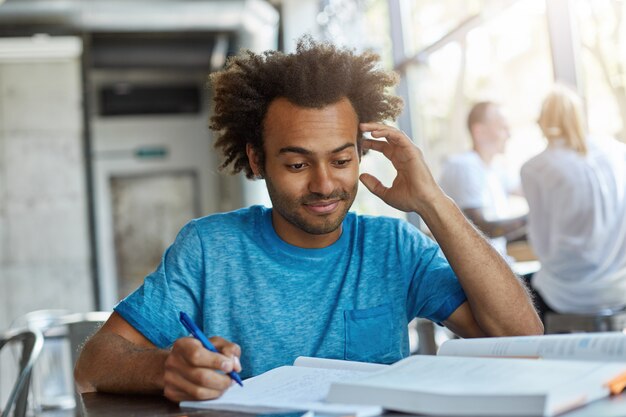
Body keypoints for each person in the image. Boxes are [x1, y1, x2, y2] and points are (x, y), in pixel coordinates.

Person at [74, 38, 542, 402]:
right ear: (256, 161)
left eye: (341, 161)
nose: (323, 184)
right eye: (298, 165)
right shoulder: (209, 248)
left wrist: (433, 202)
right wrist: (164, 369)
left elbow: (523, 340)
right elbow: (94, 364)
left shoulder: (393, 247)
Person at [521, 85, 626, 318]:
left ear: (543, 121)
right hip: (620, 289)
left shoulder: (535, 168)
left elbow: (541, 243)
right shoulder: (619, 152)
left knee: (513, 292)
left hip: (568, 294)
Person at [439, 102, 527, 259]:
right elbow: (481, 228)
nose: (509, 135)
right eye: (502, 128)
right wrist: (530, 220)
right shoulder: (465, 166)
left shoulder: (495, 168)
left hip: (496, 266)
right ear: (478, 131)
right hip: (473, 273)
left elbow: (527, 190)